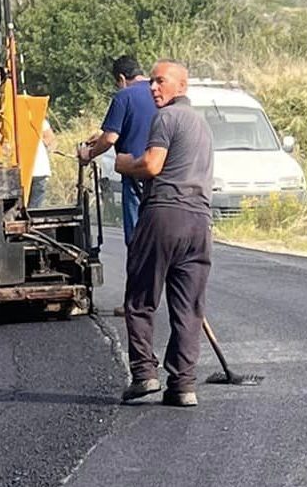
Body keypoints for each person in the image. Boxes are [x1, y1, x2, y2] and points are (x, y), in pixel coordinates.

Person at [114, 60, 214, 408]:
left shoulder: (167, 118)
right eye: (152, 82)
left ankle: (144, 375)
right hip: (199, 222)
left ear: (181, 87)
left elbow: (152, 166)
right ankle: (183, 385)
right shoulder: (202, 125)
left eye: (160, 82)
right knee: (188, 308)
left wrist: (124, 163)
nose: (153, 88)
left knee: (140, 299)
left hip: (164, 215)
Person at [79, 56, 156, 247]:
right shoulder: (159, 92)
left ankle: (139, 274)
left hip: (135, 173)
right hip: (162, 173)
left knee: (137, 238)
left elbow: (109, 138)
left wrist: (88, 154)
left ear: (121, 78)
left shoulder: (124, 96)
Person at [28, 118, 55, 208]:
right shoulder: (37, 118)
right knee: (34, 207)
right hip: (39, 170)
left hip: (37, 169)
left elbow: (49, 137)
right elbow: (50, 138)